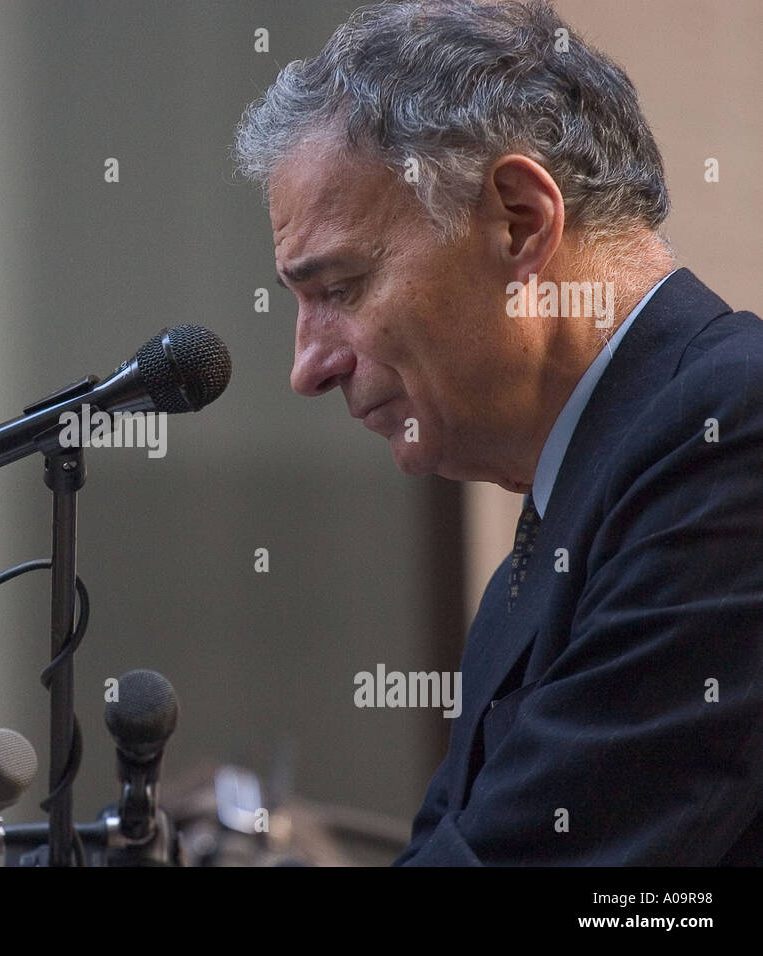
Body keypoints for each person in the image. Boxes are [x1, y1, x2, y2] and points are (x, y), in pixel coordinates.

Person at [233, 0, 763, 864]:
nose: (308, 369)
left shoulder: (732, 432)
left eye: (340, 288)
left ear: (519, 220)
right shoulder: (580, 498)